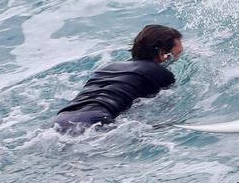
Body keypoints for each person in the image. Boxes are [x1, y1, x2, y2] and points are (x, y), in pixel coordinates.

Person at [53, 25, 183, 133]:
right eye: (177, 54)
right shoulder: (160, 72)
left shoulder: (108, 67)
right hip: (96, 120)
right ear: (162, 54)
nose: (177, 59)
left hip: (61, 119)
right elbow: (161, 110)